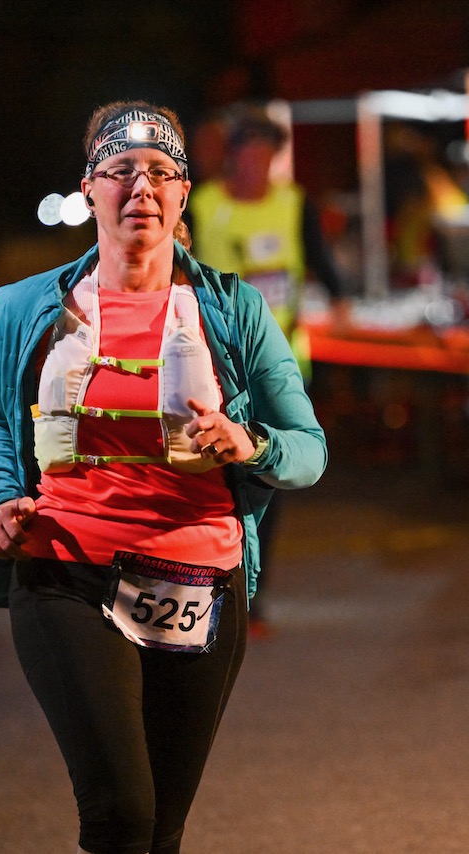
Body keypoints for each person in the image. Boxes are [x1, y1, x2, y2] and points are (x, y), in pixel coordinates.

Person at [0, 101, 327, 854]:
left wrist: (247, 444)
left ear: (185, 195)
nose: (140, 188)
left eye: (160, 173)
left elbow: (308, 448)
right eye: (120, 172)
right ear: (89, 189)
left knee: (161, 831)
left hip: (199, 584)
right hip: (67, 574)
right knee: (119, 817)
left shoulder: (233, 311)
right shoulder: (27, 307)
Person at [186, 105, 347, 635]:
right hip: (213, 364)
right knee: (210, 473)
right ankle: (201, 586)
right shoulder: (202, 206)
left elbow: (324, 266)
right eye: (246, 156)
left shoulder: (295, 203)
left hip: (282, 362)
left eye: (266, 156)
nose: (256, 166)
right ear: (230, 158)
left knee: (268, 476)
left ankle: (251, 596)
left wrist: (342, 302)